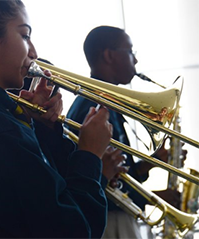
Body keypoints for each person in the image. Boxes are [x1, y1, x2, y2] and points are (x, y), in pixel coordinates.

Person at [0, 3, 127, 239]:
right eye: (24, 35)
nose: (33, 52)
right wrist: (90, 154)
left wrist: (44, 129)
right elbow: (74, 230)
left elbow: (52, 197)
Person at [67, 26, 187, 239]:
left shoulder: (105, 104)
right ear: (109, 55)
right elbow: (98, 183)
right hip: (111, 225)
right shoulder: (93, 108)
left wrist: (150, 163)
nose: (136, 61)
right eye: (131, 52)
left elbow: (117, 174)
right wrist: (156, 198)